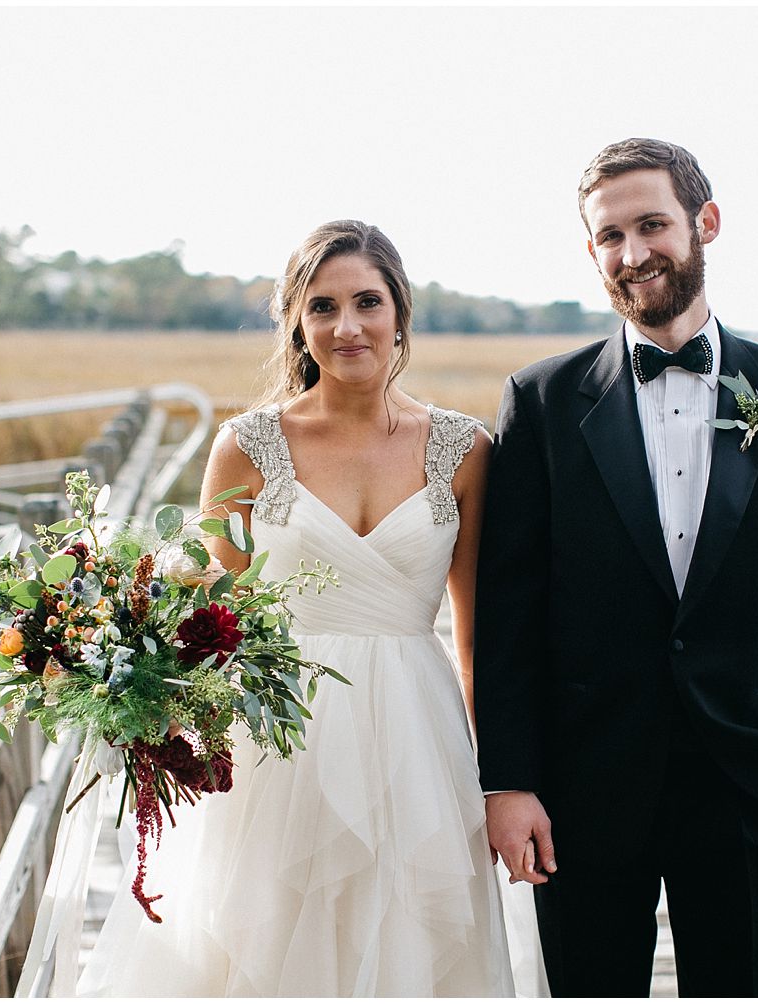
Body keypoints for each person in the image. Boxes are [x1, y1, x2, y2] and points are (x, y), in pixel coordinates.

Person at [74, 220, 540, 995]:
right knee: (267, 947)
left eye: (367, 302)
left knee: (409, 948)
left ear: (400, 312)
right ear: (296, 319)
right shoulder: (246, 445)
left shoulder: (465, 448)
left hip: (417, 737)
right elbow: (212, 624)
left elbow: (476, 634)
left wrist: (498, 779)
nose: (347, 326)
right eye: (323, 307)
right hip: (279, 736)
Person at [475, 138, 758, 997]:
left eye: (652, 224)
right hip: (581, 792)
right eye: (609, 236)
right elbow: (507, 614)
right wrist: (508, 781)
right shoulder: (540, 403)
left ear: (706, 223)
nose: (633, 252)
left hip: (745, 785)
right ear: (592, 252)